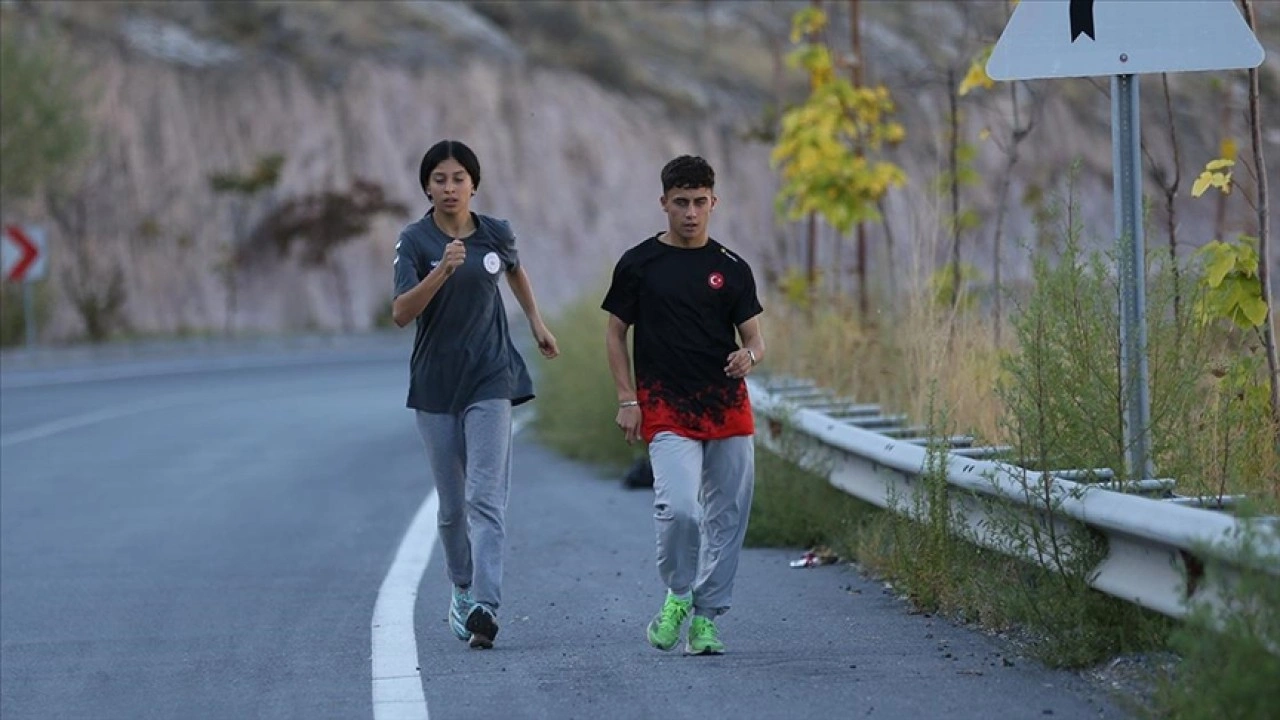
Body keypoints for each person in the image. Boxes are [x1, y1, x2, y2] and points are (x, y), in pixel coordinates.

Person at [392, 139, 559, 649]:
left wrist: (535, 322)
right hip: (437, 384)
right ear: (427, 186)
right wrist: (442, 269)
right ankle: (462, 587)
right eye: (439, 179)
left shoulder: (495, 233)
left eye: (459, 178)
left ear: (474, 184)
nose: (449, 187)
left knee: (486, 496)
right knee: (451, 507)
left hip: (491, 376)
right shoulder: (415, 241)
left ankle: (486, 605)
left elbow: (515, 269)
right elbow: (401, 313)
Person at [602, 155, 765, 655]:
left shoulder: (732, 268)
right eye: (680, 203)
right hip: (666, 405)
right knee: (680, 510)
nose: (691, 212)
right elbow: (615, 332)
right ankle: (677, 594)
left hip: (726, 407)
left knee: (729, 514)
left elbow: (756, 339)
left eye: (699, 202)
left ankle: (707, 619)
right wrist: (627, 398)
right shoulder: (639, 264)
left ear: (714, 202)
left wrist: (748, 357)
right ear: (664, 203)